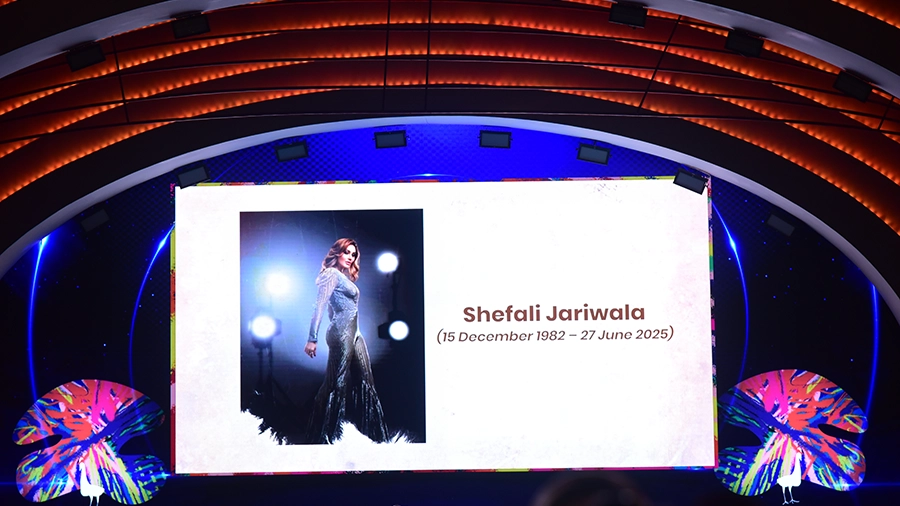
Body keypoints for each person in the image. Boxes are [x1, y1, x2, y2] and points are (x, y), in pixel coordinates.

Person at [304, 238, 389, 444]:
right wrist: (312, 338)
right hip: (342, 332)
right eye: (346, 252)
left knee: (366, 381)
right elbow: (320, 306)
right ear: (337, 253)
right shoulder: (331, 274)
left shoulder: (343, 278)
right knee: (337, 383)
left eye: (353, 254)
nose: (350, 257)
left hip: (355, 332)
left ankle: (374, 437)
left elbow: (335, 308)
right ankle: (325, 437)